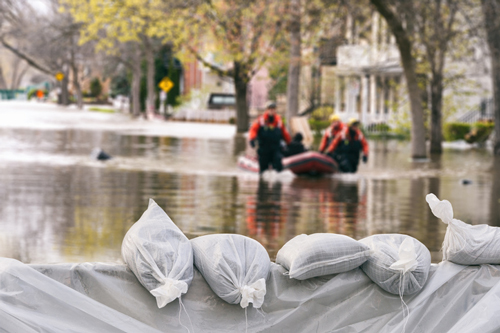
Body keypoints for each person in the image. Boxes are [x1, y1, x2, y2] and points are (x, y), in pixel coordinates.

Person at [249, 102, 291, 174]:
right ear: (267, 110)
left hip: (275, 148)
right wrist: (252, 139)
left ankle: (278, 182)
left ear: (275, 110)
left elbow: (284, 133)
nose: (271, 110)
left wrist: (289, 143)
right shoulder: (261, 120)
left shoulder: (278, 121)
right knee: (263, 170)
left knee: (278, 165)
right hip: (264, 148)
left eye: (273, 109)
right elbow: (253, 129)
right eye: (270, 109)